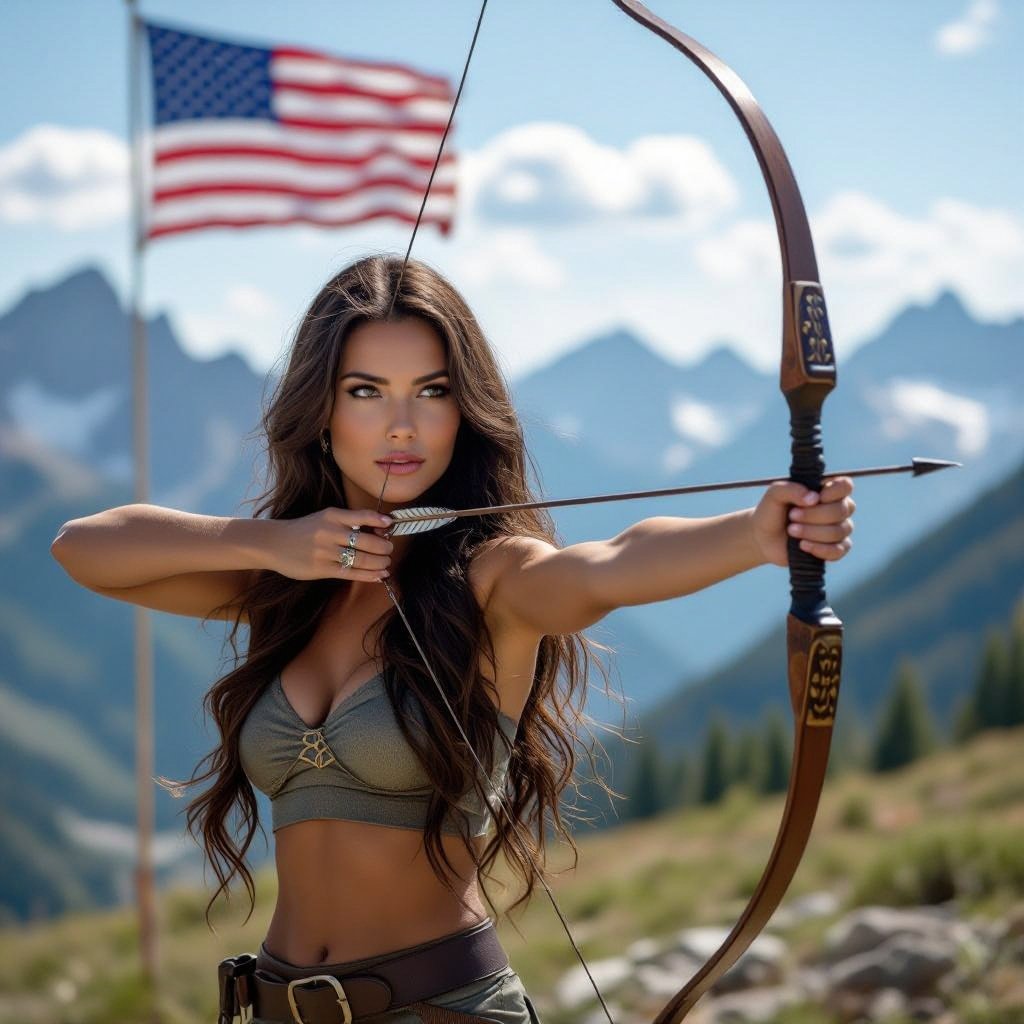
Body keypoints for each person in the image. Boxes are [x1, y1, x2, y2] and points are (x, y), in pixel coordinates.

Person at [50, 254, 855, 1024]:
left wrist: (755, 533)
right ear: (320, 411)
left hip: (441, 1010)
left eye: (431, 391)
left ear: (464, 410)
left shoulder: (494, 578)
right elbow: (83, 549)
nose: (402, 426)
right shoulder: (284, 590)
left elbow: (607, 567)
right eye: (366, 391)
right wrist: (271, 544)